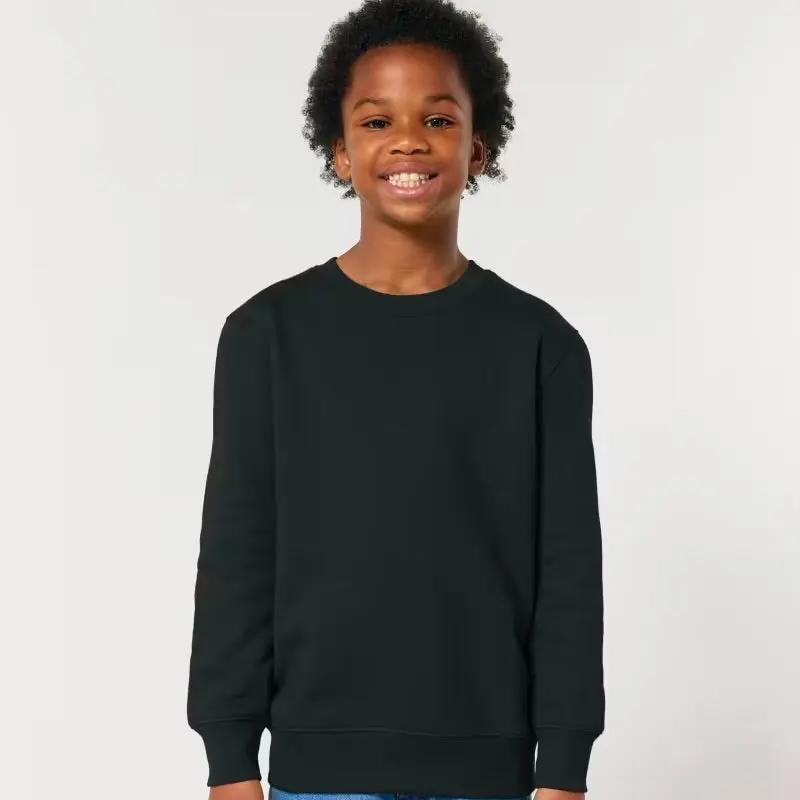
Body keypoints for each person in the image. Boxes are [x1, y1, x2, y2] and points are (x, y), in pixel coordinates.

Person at [186, 1, 606, 799]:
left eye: (438, 119)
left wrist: (564, 767)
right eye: (377, 121)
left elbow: (568, 574)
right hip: (320, 768)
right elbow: (237, 554)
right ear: (341, 152)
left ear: (477, 147)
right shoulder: (266, 336)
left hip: (487, 771)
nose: (408, 140)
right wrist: (229, 756)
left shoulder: (540, 346)